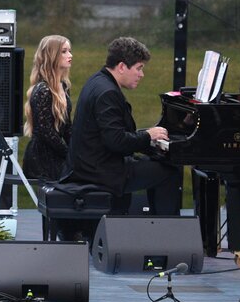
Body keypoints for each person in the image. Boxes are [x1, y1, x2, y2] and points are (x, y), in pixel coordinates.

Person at [65, 36, 182, 218]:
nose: (141, 74)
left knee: (156, 166)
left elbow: (114, 135)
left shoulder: (98, 80)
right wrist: (147, 136)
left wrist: (147, 137)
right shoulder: (108, 93)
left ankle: (158, 227)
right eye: (139, 68)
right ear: (121, 67)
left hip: (93, 164)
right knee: (169, 173)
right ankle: (166, 232)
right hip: (99, 171)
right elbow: (116, 141)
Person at [21, 34, 74, 184]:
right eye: (64, 51)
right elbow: (45, 132)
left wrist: (76, 149)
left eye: (69, 51)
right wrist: (68, 154)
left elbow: (66, 126)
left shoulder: (63, 86)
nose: (70, 55)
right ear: (52, 56)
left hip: (56, 152)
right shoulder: (43, 90)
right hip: (42, 158)